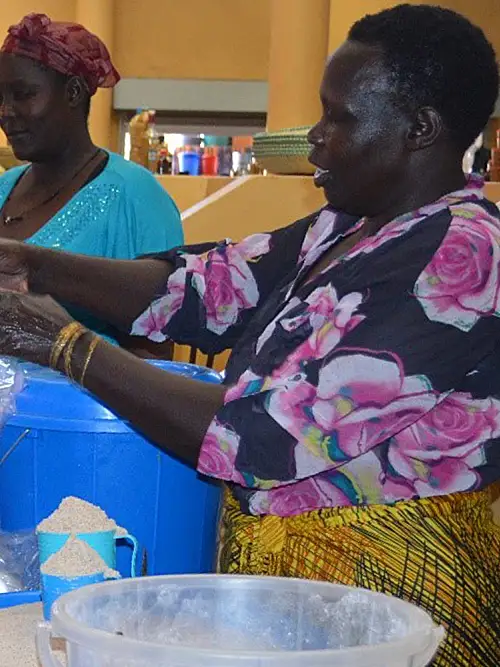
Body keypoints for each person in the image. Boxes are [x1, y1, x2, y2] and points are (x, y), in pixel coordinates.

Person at [0, 4, 498, 665]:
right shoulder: (347, 227)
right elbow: (203, 288)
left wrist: (64, 344)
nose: (314, 138)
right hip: (301, 597)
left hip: (393, 596)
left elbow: (263, 435)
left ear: (420, 130)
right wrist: (31, 263)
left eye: (339, 117)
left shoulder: (460, 259)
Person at [0, 13, 183, 353]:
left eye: (23, 94)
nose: (6, 112)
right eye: (1, 97)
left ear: (72, 93)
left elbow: (154, 356)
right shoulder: (4, 187)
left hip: (77, 405)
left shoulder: (136, 198)